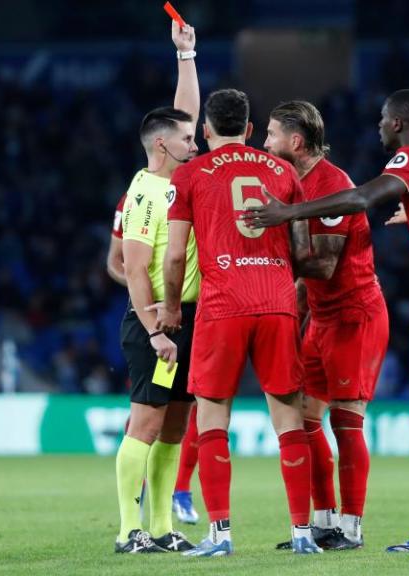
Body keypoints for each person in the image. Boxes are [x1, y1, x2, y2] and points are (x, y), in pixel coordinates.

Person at [244, 89, 409, 552]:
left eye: (384, 120)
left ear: (401, 124)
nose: (379, 127)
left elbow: (364, 197)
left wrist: (287, 214)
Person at [155, 88, 321, 557]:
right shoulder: (284, 171)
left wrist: (170, 308)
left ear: (205, 130)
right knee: (288, 419)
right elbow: (304, 249)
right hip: (276, 302)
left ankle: (220, 534)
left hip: (222, 303)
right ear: (249, 130)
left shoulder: (189, 175)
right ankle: (302, 533)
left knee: (211, 418)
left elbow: (172, 258)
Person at [263, 100, 389, 551]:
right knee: (305, 418)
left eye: (272, 135)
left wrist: (272, 263)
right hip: (320, 319)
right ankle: (323, 521)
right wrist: (293, 316)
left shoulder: (331, 184)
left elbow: (326, 265)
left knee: (346, 422)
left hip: (354, 317)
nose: (265, 143)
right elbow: (307, 278)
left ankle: (351, 528)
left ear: (296, 142)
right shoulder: (296, 185)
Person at [113, 19, 201, 554]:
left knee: (174, 430)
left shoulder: (177, 183)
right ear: (164, 146)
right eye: (188, 139)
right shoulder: (147, 192)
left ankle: (164, 527)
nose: (197, 141)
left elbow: (183, 113)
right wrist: (155, 330)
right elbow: (134, 266)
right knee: (145, 425)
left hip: (187, 319)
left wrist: (186, 56)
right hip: (159, 326)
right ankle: (129, 531)